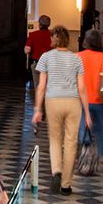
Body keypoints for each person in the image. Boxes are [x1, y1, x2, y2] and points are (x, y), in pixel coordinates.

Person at [33, 26, 90, 193]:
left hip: (53, 101)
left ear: (54, 39)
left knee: (55, 139)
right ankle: (66, 185)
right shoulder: (77, 59)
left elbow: (41, 87)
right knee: (71, 143)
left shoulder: (46, 57)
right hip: (73, 102)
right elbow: (81, 88)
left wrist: (37, 109)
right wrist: (87, 113)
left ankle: (56, 170)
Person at [75, 27, 103, 174]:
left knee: (83, 127)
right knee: (100, 129)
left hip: (82, 99)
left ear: (86, 42)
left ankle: (85, 155)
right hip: (100, 99)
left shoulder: (78, 56)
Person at [24, 15, 53, 82]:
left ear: (39, 24)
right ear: (49, 24)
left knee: (38, 86)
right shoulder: (52, 35)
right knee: (49, 86)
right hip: (50, 64)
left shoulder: (33, 35)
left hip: (37, 63)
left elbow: (27, 50)